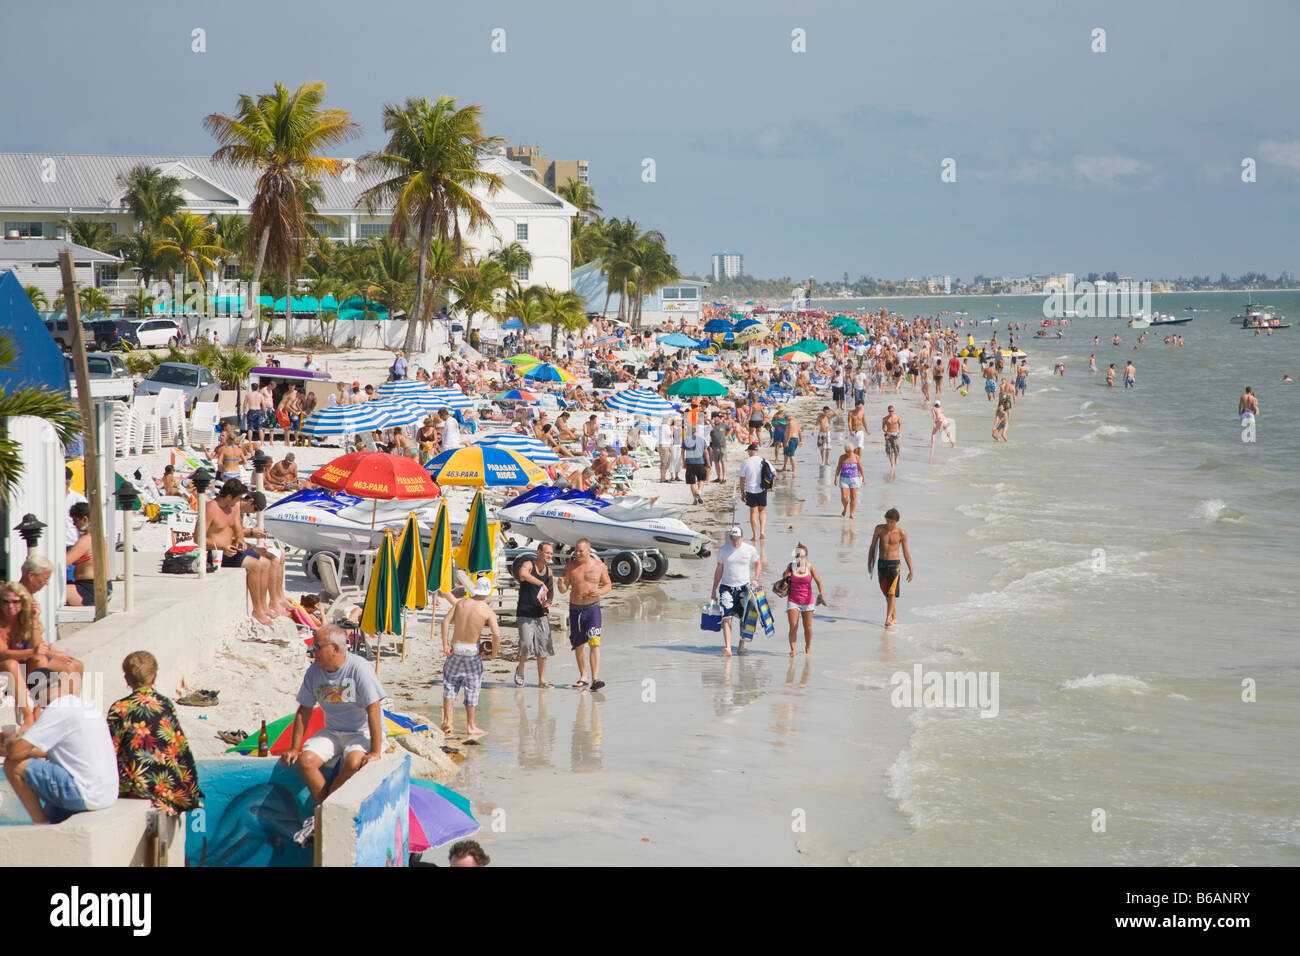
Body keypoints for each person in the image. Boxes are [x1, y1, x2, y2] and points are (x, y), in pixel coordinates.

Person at [284, 625, 386, 845]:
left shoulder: (358, 668)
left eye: (317, 647)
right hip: (332, 731)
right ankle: (324, 811)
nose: (312, 651)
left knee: (354, 760)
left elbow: (374, 709)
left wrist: (376, 750)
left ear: (335, 649)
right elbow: (304, 710)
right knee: (306, 760)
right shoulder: (314, 672)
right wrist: (294, 747)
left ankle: (321, 815)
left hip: (361, 732)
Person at [0, 666, 118, 824]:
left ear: (35, 695)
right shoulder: (82, 705)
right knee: (52, 798)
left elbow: (15, 754)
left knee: (13, 766)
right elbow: (47, 752)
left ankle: (40, 825)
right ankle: (50, 823)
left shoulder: (56, 710)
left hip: (85, 793)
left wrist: (8, 742)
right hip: (106, 793)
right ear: (59, 685)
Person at [105, 651, 202, 814]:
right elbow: (179, 747)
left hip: (134, 786)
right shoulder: (165, 704)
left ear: (126, 679)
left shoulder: (120, 708)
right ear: (154, 677)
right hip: (166, 785)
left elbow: (109, 748)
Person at [203, 479, 275, 625]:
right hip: (216, 552)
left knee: (266, 563)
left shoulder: (234, 507)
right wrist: (223, 547)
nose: (239, 501)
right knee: (255, 565)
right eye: (237, 498)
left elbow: (237, 530)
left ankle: (262, 606)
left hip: (232, 549)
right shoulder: (211, 508)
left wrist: (241, 540)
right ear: (229, 496)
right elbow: (197, 538)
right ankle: (257, 610)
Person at [439, 578, 501, 736]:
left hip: (455, 649)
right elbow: (496, 634)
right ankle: (471, 726)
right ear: (487, 592)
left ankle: (446, 721)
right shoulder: (487, 610)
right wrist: (493, 654)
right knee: (472, 689)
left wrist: (445, 644)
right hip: (472, 651)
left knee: (450, 685)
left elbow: (445, 622)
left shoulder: (460, 604)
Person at [556, 538, 611, 691]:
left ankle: (595, 678)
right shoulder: (570, 567)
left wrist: (599, 591)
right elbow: (563, 589)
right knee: (579, 644)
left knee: (594, 642)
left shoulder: (599, 566)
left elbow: (608, 585)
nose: (577, 553)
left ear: (588, 550)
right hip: (575, 609)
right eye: (576, 550)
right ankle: (583, 676)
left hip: (593, 608)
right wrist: (560, 584)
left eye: (580, 551)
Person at [710, 526, 760, 657]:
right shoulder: (723, 550)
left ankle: (741, 645)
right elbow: (719, 570)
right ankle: (727, 647)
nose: (735, 541)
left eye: (737, 539)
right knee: (727, 617)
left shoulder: (749, 549)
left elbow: (757, 563)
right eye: (732, 539)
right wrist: (714, 589)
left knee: (745, 619)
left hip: (744, 588)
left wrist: (756, 579)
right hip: (726, 588)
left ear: (742, 537)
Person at [514, 543, 555, 688]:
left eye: (551, 553)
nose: (550, 556)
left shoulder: (549, 571)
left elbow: (550, 591)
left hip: (541, 613)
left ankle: (541, 679)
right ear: (539, 552)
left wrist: (548, 602)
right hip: (525, 611)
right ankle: (520, 669)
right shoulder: (529, 564)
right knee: (526, 644)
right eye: (547, 553)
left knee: (543, 646)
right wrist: (540, 584)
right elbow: (522, 574)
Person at [868, 508, 914, 628]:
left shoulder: (901, 533)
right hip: (881, 563)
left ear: (897, 521)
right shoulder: (879, 529)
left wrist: (911, 570)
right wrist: (869, 562)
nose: (889, 524)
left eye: (891, 522)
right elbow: (872, 546)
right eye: (887, 521)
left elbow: (906, 552)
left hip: (895, 564)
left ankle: (888, 618)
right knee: (885, 591)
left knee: (892, 592)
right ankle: (894, 616)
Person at [778, 543, 825, 656]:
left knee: (807, 627)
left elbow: (818, 581)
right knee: (793, 626)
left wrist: (821, 594)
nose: (800, 558)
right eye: (797, 555)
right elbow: (784, 575)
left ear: (806, 556)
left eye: (802, 556)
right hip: (793, 600)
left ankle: (807, 647)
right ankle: (793, 649)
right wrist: (786, 574)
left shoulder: (810, 567)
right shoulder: (791, 566)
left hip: (808, 601)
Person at [65, 502, 112, 607]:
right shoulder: (99, 538)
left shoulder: (87, 540)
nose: (74, 524)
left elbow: (65, 562)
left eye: (76, 521)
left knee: (53, 592)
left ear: (85, 519)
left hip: (90, 589)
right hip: (104, 587)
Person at [737, 442, 769, 539]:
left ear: (751, 451)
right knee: (762, 511)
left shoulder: (745, 462)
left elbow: (742, 479)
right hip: (762, 489)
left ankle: (755, 535)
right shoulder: (764, 461)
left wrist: (742, 492)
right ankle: (762, 531)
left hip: (750, 490)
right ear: (757, 451)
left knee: (753, 512)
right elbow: (774, 473)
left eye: (748, 451)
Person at [681, 420, 711, 505]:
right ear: (696, 431)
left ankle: (695, 498)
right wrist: (708, 463)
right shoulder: (702, 439)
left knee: (692, 482)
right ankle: (699, 492)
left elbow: (682, 452)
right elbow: (706, 452)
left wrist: (683, 462)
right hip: (700, 462)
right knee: (701, 479)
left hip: (689, 462)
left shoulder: (685, 439)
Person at [833, 442, 863, 518]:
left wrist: (863, 478)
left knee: (853, 497)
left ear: (852, 451)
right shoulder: (842, 457)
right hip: (844, 479)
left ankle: (851, 513)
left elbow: (860, 468)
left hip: (854, 479)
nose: (847, 453)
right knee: (844, 497)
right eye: (846, 452)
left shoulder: (856, 457)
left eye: (849, 452)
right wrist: (836, 478)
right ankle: (845, 508)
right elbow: (838, 468)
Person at [709, 413, 729, 482]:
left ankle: (724, 477)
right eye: (717, 417)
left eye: (719, 417)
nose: (718, 418)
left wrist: (727, 436)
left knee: (723, 462)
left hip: (722, 446)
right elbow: (709, 435)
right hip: (714, 446)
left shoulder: (723, 425)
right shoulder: (711, 426)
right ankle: (718, 477)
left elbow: (730, 429)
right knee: (716, 462)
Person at [882, 405, 902, 470]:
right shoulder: (885, 418)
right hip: (888, 435)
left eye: (892, 411)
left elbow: (900, 424)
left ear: (894, 411)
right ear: (888, 411)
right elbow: (883, 428)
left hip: (895, 434)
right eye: (890, 411)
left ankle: (896, 459)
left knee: (896, 449)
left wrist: (899, 431)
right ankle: (891, 464)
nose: (891, 412)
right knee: (889, 450)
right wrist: (886, 431)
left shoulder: (897, 417)